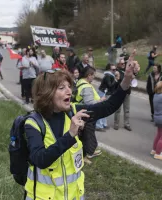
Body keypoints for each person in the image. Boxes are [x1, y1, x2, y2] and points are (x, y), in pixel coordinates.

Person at [23, 52, 140, 199]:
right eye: (61, 88)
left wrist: (127, 80)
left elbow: (108, 106)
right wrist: (70, 135)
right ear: (47, 93)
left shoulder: (73, 111)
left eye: (69, 86)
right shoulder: (33, 123)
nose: (69, 91)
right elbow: (40, 160)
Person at [114, 59, 134, 131]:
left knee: (127, 110)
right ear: (118, 64)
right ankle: (116, 124)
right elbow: (118, 81)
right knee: (118, 110)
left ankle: (127, 124)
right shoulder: (117, 72)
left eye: (124, 63)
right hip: (119, 93)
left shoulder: (127, 71)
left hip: (127, 92)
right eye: (121, 64)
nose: (123, 65)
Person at [98, 64, 119, 130]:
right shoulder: (108, 75)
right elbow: (110, 85)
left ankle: (104, 124)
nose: (114, 71)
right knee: (101, 109)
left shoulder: (111, 75)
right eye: (113, 70)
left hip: (105, 93)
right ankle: (99, 125)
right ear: (109, 70)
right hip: (102, 93)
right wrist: (115, 80)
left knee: (104, 109)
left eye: (115, 69)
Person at [151, 81, 162, 160]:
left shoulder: (156, 95)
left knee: (158, 135)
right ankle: (158, 153)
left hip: (157, 117)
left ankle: (154, 150)